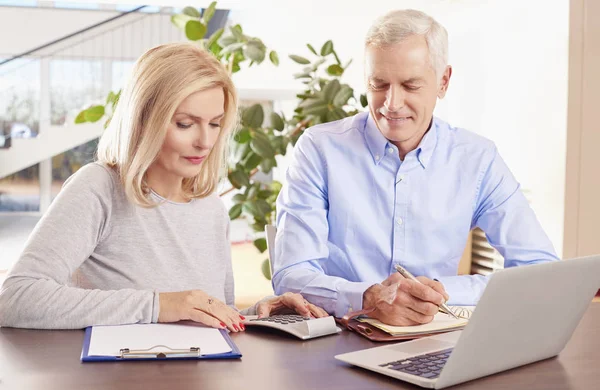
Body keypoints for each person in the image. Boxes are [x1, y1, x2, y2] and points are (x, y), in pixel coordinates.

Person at [0, 43, 327, 330]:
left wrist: (258, 314)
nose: (205, 142)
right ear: (143, 119)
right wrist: (158, 305)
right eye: (186, 124)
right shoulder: (99, 187)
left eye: (215, 124)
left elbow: (206, 315)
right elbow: (16, 297)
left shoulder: (210, 207)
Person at [272, 9, 559, 326]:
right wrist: (368, 297)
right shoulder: (319, 149)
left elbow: (540, 267)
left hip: (432, 336)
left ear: (443, 81)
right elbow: (292, 276)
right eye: (379, 84)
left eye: (410, 85)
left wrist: (436, 292)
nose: (391, 103)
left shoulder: (477, 159)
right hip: (339, 337)